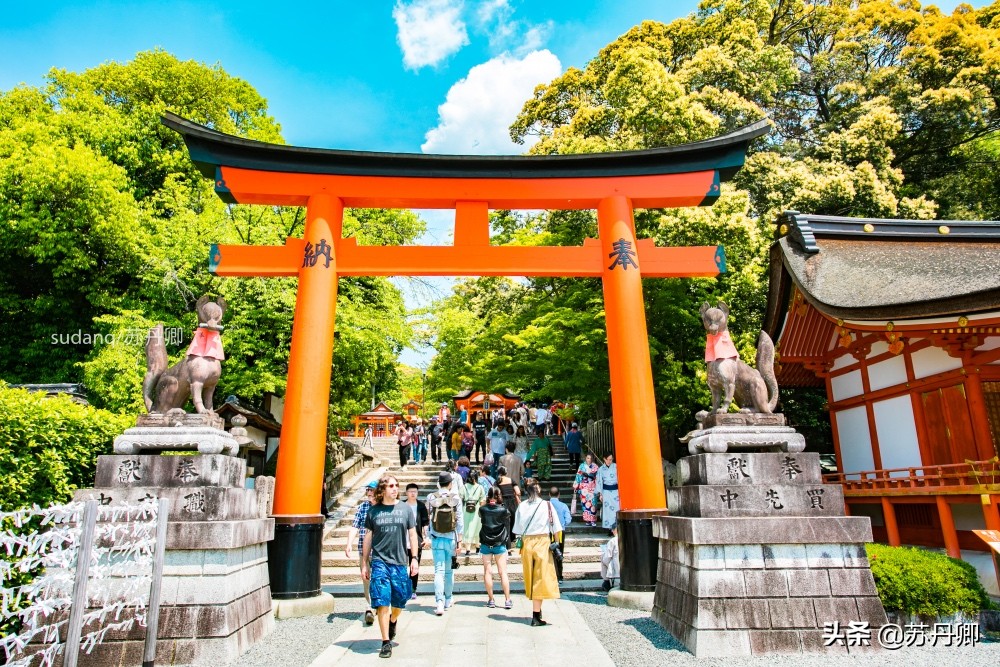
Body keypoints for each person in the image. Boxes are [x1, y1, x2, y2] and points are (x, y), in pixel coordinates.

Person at [361, 475, 419, 659]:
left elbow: (412, 535)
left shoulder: (405, 509)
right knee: (382, 600)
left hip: (400, 561)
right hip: (379, 562)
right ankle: (386, 641)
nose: (395, 488)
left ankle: (393, 620)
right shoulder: (374, 512)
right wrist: (364, 562)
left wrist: (414, 558)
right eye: (391, 486)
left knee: (400, 600)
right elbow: (368, 538)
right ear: (383, 489)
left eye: (397, 485)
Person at [513, 479, 562, 626]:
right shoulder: (547, 505)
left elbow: (517, 529)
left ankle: (537, 611)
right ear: (539, 490)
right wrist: (557, 544)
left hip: (527, 543)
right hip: (542, 542)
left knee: (530, 577)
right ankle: (535, 615)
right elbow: (557, 528)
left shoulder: (521, 506)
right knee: (541, 578)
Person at [425, 471, 463, 616]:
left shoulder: (431, 497)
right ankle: (448, 599)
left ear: (438, 483)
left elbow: (430, 519)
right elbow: (460, 521)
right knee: (449, 571)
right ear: (450, 484)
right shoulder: (456, 498)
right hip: (451, 539)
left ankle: (439, 602)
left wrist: (428, 536)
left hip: (436, 538)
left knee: (438, 571)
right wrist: (460, 541)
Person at [345, 480, 378, 626]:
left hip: (380, 551)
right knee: (366, 579)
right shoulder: (363, 507)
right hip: (363, 550)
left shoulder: (383, 507)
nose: (369, 493)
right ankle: (369, 608)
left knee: (379, 579)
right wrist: (348, 544)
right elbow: (355, 526)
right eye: (368, 490)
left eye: (372, 490)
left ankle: (380, 606)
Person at [479, 486, 512, 609]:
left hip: (486, 542)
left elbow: (481, 514)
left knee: (488, 571)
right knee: (503, 572)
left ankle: (491, 599)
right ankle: (507, 600)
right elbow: (507, 520)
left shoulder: (482, 509)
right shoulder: (503, 510)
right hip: (499, 543)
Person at [404, 483, 430, 598]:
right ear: (406, 493)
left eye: (415, 491)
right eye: (411, 491)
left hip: (417, 540)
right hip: (402, 540)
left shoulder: (421, 506)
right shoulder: (401, 505)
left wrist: (426, 536)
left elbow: (425, 523)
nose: (413, 493)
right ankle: (403, 588)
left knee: (414, 565)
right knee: (402, 566)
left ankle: (413, 589)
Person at [547, 486, 571, 582]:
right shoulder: (563, 506)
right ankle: (559, 576)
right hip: (560, 532)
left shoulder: (546, 505)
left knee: (548, 554)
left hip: (548, 532)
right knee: (559, 553)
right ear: (559, 494)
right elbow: (568, 519)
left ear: (549, 494)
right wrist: (562, 525)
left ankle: (550, 576)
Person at [495, 465, 520, 552]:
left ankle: (507, 543)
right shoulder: (511, 480)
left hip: (503, 503)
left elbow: (496, 492)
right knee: (513, 520)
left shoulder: (497, 481)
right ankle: (513, 538)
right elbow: (518, 492)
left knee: (506, 523)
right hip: (512, 502)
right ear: (506, 472)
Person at [461, 469, 485, 555]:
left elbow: (461, 497)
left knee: (467, 528)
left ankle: (468, 549)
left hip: (466, 509)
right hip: (477, 509)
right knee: (477, 528)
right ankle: (478, 547)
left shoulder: (464, 486)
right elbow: (483, 500)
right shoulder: (480, 487)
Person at [574, 453, 600, 527]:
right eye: (588, 458)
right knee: (585, 504)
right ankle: (587, 520)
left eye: (591, 458)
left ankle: (593, 520)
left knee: (593, 503)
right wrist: (577, 486)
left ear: (593, 459)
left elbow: (598, 478)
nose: (589, 460)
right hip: (584, 488)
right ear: (586, 458)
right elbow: (578, 477)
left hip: (592, 487)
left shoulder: (595, 467)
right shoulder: (582, 466)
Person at [596, 452, 619, 532]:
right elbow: (599, 482)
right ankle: (610, 529)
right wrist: (600, 494)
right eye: (608, 459)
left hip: (616, 491)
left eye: (611, 459)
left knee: (617, 509)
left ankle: (617, 528)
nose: (610, 461)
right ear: (604, 459)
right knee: (608, 511)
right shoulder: (601, 469)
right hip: (606, 492)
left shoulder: (616, 467)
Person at [600, 522, 620, 592]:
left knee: (603, 559)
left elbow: (607, 557)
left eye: (613, 529)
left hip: (617, 566)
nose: (612, 531)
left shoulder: (613, 541)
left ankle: (606, 581)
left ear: (616, 530)